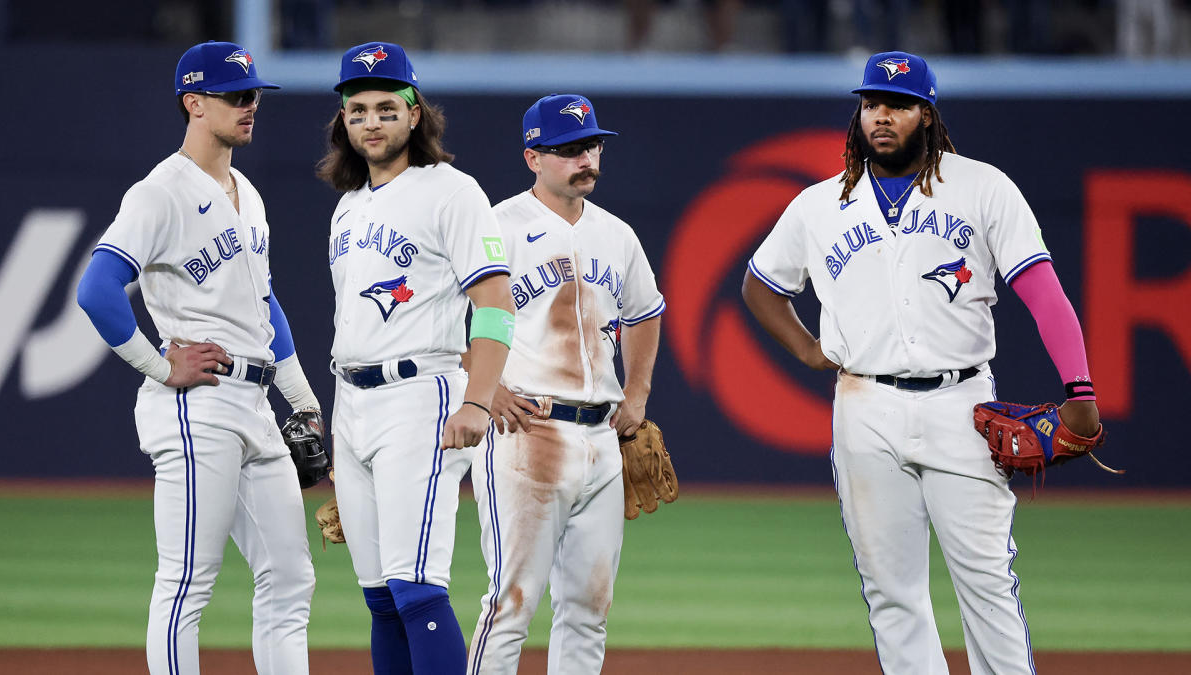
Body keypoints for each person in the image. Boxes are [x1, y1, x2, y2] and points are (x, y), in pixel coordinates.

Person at [742, 51, 1102, 674]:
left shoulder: (983, 186)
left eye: (900, 106)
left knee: (987, 580)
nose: (882, 117)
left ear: (928, 116)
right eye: (871, 104)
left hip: (962, 405)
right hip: (864, 408)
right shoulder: (818, 204)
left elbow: (1043, 291)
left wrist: (1080, 387)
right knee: (891, 593)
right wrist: (806, 348)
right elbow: (760, 284)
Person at [76, 41, 320, 675]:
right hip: (198, 405)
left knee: (290, 579)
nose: (250, 107)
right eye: (236, 97)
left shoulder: (249, 192)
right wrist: (161, 368)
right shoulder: (160, 192)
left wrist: (302, 400)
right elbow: (96, 288)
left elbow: (267, 306)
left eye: (254, 96)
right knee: (187, 584)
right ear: (194, 103)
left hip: (256, 404)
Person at [317, 42, 514, 675]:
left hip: (418, 400)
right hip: (352, 403)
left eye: (385, 107)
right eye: (357, 110)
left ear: (414, 112)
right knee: (379, 599)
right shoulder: (348, 207)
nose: (371, 121)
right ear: (344, 122)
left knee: (417, 588)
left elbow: (495, 303)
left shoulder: (452, 192)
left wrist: (478, 398)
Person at [467, 94, 666, 675]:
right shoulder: (496, 227)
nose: (586, 158)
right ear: (532, 157)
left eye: (592, 146)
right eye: (569, 150)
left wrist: (637, 396)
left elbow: (646, 311)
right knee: (511, 602)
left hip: (601, 438)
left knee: (588, 607)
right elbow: (439, 318)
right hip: (527, 433)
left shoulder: (618, 235)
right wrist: (484, 388)